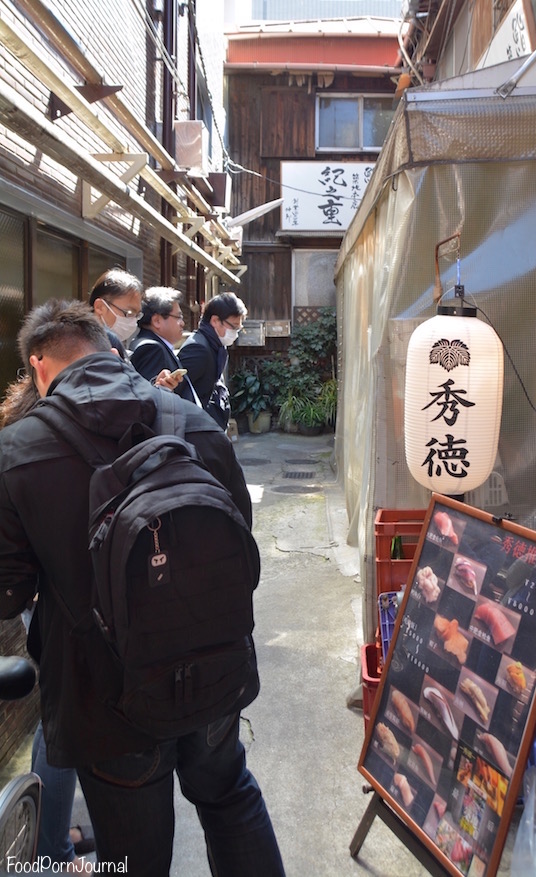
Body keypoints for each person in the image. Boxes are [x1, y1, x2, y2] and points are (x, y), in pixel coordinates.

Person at [0, 300, 284, 877]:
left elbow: (8, 592)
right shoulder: (194, 422)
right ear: (111, 348)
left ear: (39, 367)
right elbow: (241, 545)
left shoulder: (18, 451)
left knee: (136, 852)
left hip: (105, 697)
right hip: (213, 668)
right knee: (229, 796)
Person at [0, 375, 94, 873]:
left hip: (50, 600)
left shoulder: (25, 437)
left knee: (62, 716)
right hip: (57, 603)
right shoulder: (42, 444)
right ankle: (51, 851)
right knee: (62, 720)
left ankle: (53, 837)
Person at [179, 292, 247, 429]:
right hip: (195, 428)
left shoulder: (214, 345)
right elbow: (179, 390)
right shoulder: (198, 348)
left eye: (238, 328)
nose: (235, 333)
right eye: (233, 326)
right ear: (215, 321)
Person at [129, 286, 200, 404]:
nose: (182, 323)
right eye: (178, 317)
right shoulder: (152, 349)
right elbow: (153, 402)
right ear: (157, 321)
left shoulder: (153, 344)